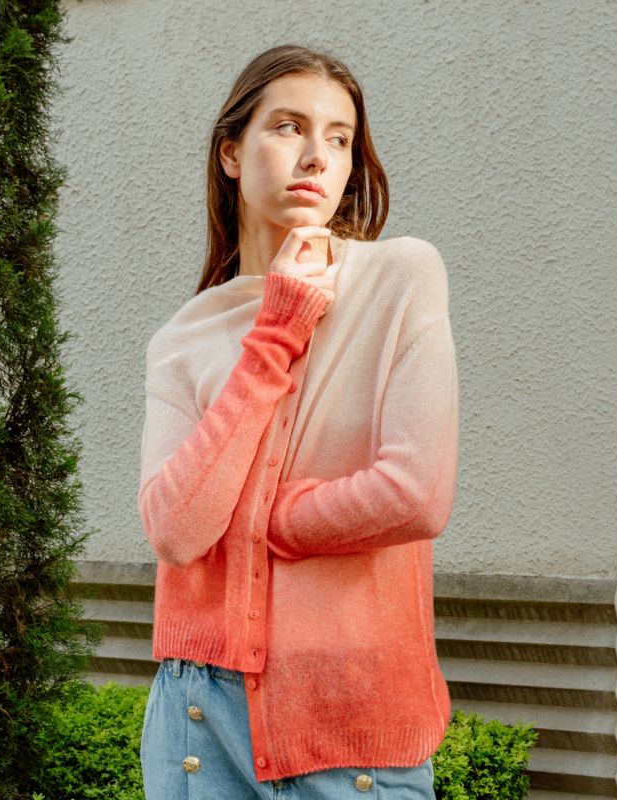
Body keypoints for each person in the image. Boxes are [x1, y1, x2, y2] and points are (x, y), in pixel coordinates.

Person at [137, 43, 459, 799]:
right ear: (231, 152)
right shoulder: (184, 338)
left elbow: (415, 494)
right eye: (288, 127)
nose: (317, 155)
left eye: (340, 138)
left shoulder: (401, 278)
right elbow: (177, 530)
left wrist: (252, 521)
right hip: (195, 718)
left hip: (353, 725)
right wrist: (276, 331)